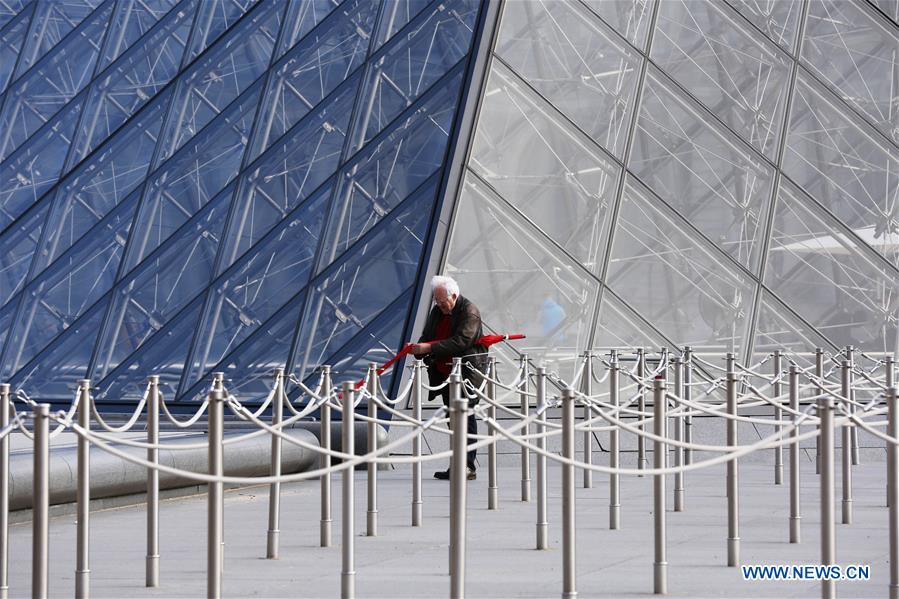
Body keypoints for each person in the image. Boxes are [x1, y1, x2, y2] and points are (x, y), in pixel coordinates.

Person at [410, 275, 487, 480]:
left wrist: (429, 347)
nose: (440, 305)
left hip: (466, 374)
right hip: (445, 374)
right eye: (437, 301)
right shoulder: (437, 311)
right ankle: (457, 465)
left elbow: (461, 341)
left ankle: (468, 466)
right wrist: (419, 349)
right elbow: (428, 335)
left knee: (465, 417)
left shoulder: (470, 311)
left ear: (454, 296)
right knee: (452, 420)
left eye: (442, 301)